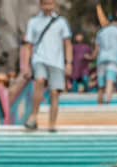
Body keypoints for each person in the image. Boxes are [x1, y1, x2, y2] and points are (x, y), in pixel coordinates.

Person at [24, 0, 73, 132]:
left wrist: (69, 63)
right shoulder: (33, 22)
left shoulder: (61, 22)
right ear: (40, 5)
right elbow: (28, 45)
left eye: (50, 4)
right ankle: (33, 116)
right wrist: (26, 66)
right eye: (45, 4)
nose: (47, 7)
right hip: (39, 59)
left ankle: (52, 124)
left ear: (54, 4)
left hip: (57, 62)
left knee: (54, 93)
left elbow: (67, 44)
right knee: (39, 80)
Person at [94, 14, 117, 105]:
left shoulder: (101, 32)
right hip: (113, 59)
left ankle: (99, 104)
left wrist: (92, 57)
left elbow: (97, 49)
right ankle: (107, 102)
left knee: (101, 85)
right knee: (110, 81)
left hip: (101, 59)